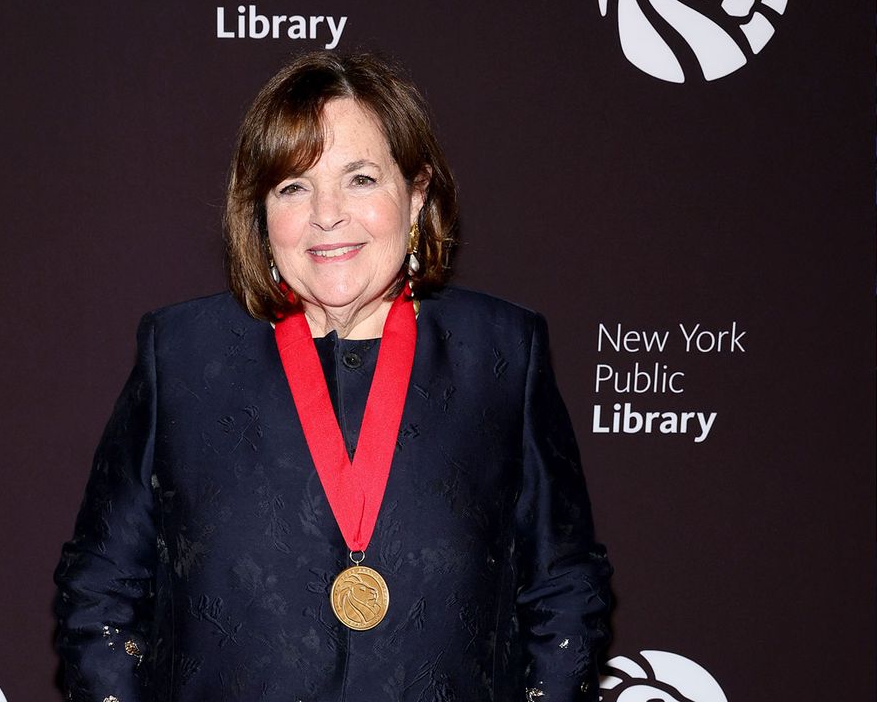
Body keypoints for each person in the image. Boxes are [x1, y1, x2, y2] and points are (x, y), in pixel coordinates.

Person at [53, 51, 611, 701]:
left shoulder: (503, 353)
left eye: (361, 179)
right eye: (294, 186)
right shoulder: (179, 353)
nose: (327, 215)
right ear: (261, 215)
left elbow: (563, 585)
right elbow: (102, 587)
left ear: (417, 194)